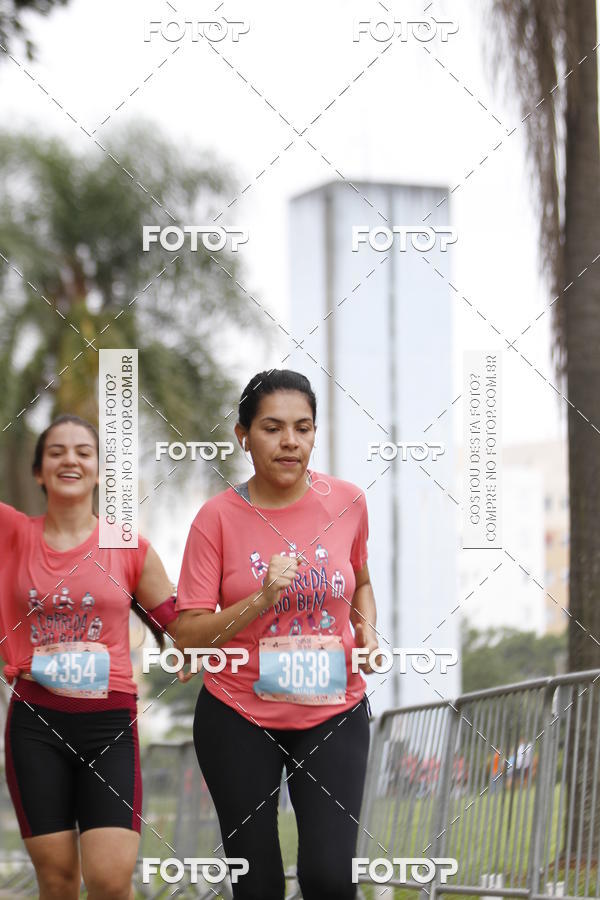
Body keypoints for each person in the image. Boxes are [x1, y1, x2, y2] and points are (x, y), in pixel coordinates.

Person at [175, 369, 379, 900]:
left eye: (303, 428)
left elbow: (361, 581)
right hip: (238, 715)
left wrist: (369, 630)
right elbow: (189, 635)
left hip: (334, 710)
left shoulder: (349, 502)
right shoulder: (215, 519)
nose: (290, 441)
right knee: (258, 881)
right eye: (272, 427)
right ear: (243, 436)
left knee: (331, 878)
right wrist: (261, 599)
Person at [0, 414, 179, 900]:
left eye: (83, 451)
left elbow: (181, 624)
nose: (70, 460)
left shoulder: (130, 548)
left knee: (109, 879)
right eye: (56, 452)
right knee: (57, 882)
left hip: (109, 727)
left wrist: (251, 607)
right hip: (36, 724)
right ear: (38, 472)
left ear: (100, 469)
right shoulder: (11, 533)